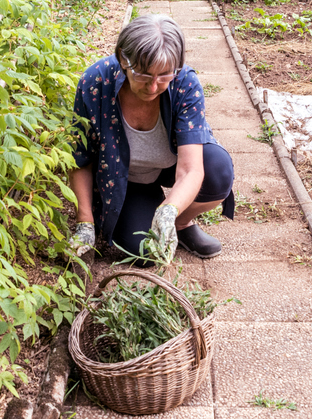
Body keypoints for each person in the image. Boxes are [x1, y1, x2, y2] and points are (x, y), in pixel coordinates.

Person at [69, 14, 235, 262]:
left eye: (164, 75)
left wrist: (168, 211)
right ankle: (129, 210)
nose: (154, 86)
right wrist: (85, 223)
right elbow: (80, 158)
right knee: (145, 250)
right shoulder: (95, 82)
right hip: (123, 177)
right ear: (124, 60)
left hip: (170, 166)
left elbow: (191, 170)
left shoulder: (184, 83)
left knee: (217, 169)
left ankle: (179, 224)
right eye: (144, 75)